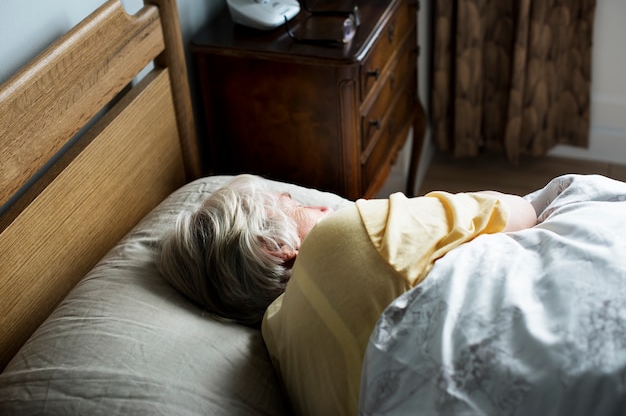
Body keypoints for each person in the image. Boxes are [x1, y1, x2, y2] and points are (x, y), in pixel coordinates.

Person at [157, 174, 537, 415]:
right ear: (273, 247)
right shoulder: (339, 236)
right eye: (297, 205)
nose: (323, 205)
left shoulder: (279, 345)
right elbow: (518, 212)